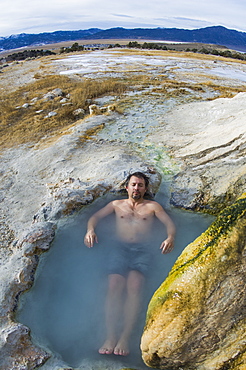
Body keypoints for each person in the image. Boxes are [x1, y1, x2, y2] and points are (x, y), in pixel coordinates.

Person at [84, 171, 175, 356]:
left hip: (142, 249)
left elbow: (169, 223)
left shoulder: (153, 206)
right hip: (119, 248)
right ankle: (110, 336)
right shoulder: (116, 205)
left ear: (145, 188)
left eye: (140, 185)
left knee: (135, 285)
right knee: (114, 284)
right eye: (133, 184)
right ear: (127, 187)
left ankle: (124, 337)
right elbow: (95, 217)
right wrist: (90, 230)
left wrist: (170, 237)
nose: (137, 188)